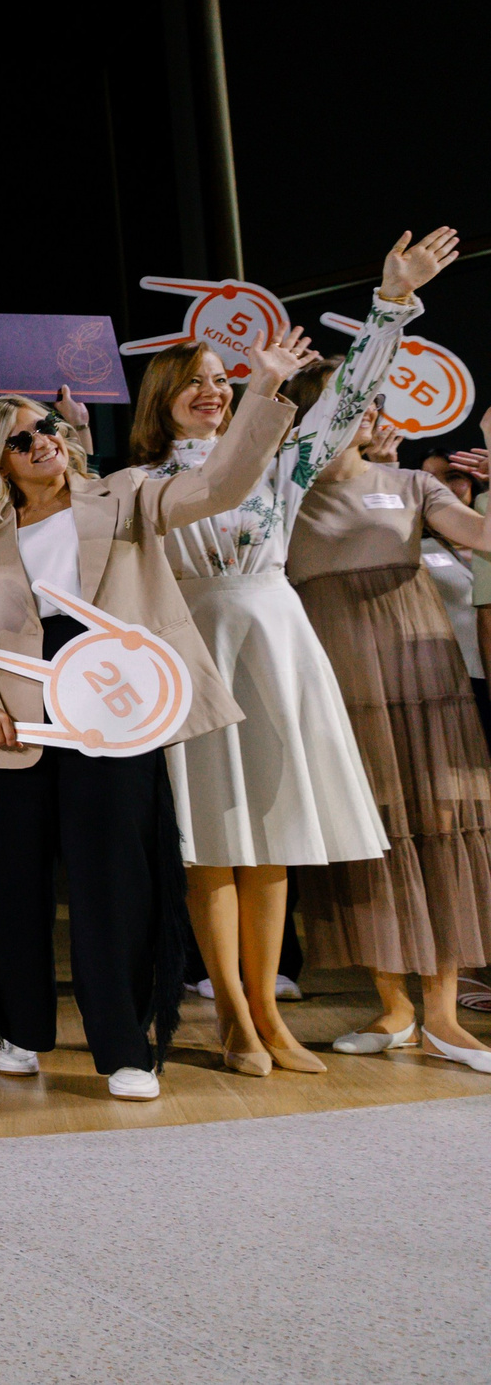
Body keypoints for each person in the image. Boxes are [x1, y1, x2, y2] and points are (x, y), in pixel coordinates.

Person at [121, 227, 454, 1075]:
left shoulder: (279, 462)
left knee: (271, 836)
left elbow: (347, 399)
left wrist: (391, 304)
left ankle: (271, 1016)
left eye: (220, 380)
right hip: (192, 649)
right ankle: (234, 1018)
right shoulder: (137, 483)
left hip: (276, 642)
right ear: (162, 397)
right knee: (211, 843)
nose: (211, 391)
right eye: (193, 382)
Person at [0, 341, 310, 1099]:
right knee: (12, 881)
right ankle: (19, 1029)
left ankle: (125, 1048)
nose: (43, 440)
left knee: (115, 878)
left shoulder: (125, 493)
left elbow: (219, 484)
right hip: (15, 708)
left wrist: (266, 388)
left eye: (46, 425)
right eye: (21, 439)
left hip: (112, 701)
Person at [288, 397, 491, 1073]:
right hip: (337, 677)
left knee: (437, 825)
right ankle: (395, 1010)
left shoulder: (411, 484)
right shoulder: (284, 492)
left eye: (373, 402)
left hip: (420, 674)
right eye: (352, 400)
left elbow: (480, 535)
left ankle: (443, 1017)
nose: (369, 414)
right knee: (367, 830)